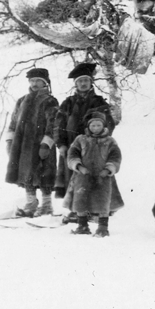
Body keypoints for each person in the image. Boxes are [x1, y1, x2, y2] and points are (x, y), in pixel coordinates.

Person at [51, 61, 122, 223]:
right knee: (74, 180)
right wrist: (60, 144)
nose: (83, 84)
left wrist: (99, 142)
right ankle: (77, 211)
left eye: (86, 80)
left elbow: (108, 124)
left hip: (95, 150)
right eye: (80, 81)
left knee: (96, 178)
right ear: (76, 84)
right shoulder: (68, 103)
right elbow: (58, 125)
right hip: (72, 148)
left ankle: (97, 211)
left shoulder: (99, 102)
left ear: (91, 82)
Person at [4, 67, 59, 217]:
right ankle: (31, 204)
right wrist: (10, 141)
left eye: (38, 81)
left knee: (44, 174)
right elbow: (13, 122)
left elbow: (54, 123)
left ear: (45, 83)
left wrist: (46, 143)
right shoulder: (22, 100)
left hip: (41, 145)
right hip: (23, 145)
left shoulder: (50, 101)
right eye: (32, 80)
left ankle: (47, 206)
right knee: (26, 174)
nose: (34, 84)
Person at [66, 110, 122, 237]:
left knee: (103, 200)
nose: (95, 128)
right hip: (82, 175)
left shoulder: (110, 141)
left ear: (103, 126)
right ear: (88, 127)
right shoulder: (80, 139)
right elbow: (72, 154)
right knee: (81, 200)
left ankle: (103, 227)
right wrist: (79, 166)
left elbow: (115, 157)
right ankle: (82, 225)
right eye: (93, 125)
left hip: (103, 177)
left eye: (98, 125)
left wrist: (108, 169)